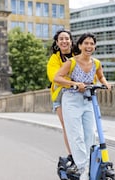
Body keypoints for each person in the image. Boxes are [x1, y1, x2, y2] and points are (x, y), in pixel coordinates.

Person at [54, 32, 111, 180]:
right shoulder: (71, 62)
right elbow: (57, 78)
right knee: (76, 135)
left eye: (92, 44)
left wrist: (105, 83)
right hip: (71, 100)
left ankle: (88, 167)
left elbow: (100, 76)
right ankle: (83, 169)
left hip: (87, 100)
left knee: (89, 135)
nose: (89, 46)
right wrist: (74, 84)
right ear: (79, 46)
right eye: (86, 43)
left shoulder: (96, 63)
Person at [46, 29, 75, 165]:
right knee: (67, 126)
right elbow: (55, 77)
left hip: (78, 95)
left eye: (66, 38)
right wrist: (73, 82)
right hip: (60, 97)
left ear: (71, 41)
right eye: (61, 39)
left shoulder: (78, 55)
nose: (64, 41)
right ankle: (72, 155)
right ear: (57, 43)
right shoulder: (54, 59)